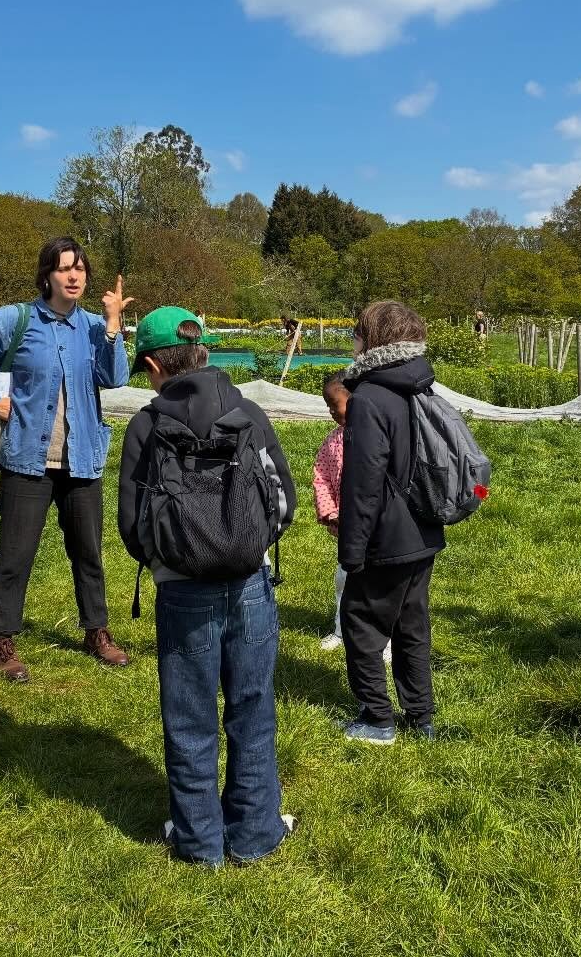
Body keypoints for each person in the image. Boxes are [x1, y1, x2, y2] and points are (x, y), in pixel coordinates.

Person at [116, 307, 297, 866]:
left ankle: (197, 841)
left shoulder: (146, 424)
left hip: (182, 591)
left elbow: (132, 521)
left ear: (151, 363)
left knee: (189, 715)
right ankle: (256, 832)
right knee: (252, 708)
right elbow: (283, 501)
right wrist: (251, 545)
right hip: (249, 584)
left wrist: (170, 559)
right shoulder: (247, 412)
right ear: (206, 353)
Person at [0, 237, 133, 678]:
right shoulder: (18, 319)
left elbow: (116, 376)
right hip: (28, 460)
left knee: (88, 553)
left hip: (82, 460)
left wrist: (112, 326)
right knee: (15, 554)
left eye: (80, 269)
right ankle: (3, 641)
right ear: (47, 274)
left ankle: (96, 631)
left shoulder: (92, 326)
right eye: (65, 268)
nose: (74, 276)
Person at [338, 301, 445, 744]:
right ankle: (421, 717)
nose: (354, 341)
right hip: (424, 528)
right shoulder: (420, 386)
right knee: (411, 625)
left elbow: (363, 483)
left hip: (386, 534)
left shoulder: (367, 398)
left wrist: (352, 549)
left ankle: (377, 718)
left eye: (358, 333)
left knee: (361, 622)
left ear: (375, 340)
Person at [313, 370, 391, 662]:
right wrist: (330, 511)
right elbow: (321, 476)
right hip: (348, 529)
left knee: (383, 585)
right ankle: (341, 629)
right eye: (329, 407)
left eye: (337, 405)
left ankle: (386, 641)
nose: (333, 412)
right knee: (344, 580)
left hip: (379, 529)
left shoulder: (378, 436)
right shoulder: (333, 441)